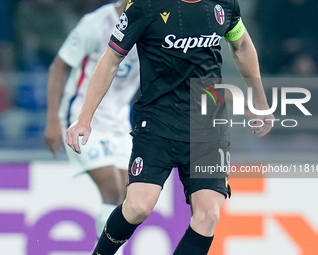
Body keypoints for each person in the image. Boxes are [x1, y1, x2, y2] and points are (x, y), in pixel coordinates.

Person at [66, 0, 274, 254]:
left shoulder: (224, 5)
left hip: (207, 125)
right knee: (138, 207)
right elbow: (111, 58)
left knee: (208, 215)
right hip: (157, 120)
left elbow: (241, 46)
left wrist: (260, 100)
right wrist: (85, 117)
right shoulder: (146, 6)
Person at [44, 0, 140, 241]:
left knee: (127, 199)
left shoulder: (152, 27)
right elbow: (59, 66)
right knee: (113, 189)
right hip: (81, 118)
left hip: (119, 125)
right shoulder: (96, 23)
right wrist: (53, 120)